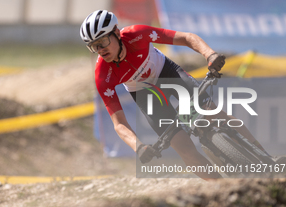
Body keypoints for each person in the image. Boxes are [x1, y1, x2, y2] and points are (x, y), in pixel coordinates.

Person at [80, 10, 268, 179]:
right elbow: (119, 124)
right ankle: (220, 186)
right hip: (144, 91)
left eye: (103, 41)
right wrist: (138, 146)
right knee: (183, 147)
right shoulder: (102, 75)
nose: (100, 50)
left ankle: (265, 158)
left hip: (165, 72)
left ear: (117, 33)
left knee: (213, 112)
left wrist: (209, 55)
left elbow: (186, 37)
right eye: (94, 46)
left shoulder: (137, 34)